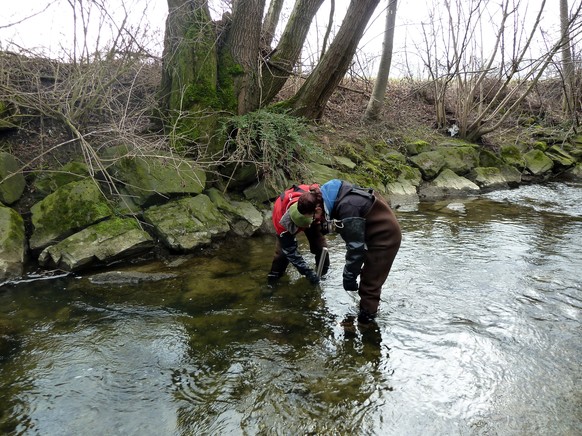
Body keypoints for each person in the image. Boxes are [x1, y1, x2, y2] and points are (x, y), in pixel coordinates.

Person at [297, 179, 401, 324]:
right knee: (367, 277)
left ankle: (367, 324)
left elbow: (355, 249)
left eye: (313, 217)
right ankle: (367, 313)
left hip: (385, 237)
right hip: (371, 233)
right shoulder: (331, 195)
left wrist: (349, 278)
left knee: (370, 284)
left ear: (318, 209)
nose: (315, 220)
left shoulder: (347, 206)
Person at [267, 184, 330, 286]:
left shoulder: (317, 201)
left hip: (312, 217)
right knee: (282, 255)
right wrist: (307, 272)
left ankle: (323, 274)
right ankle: (273, 280)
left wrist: (324, 224)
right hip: (288, 221)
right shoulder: (281, 221)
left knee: (320, 247)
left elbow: (329, 217)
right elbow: (290, 251)